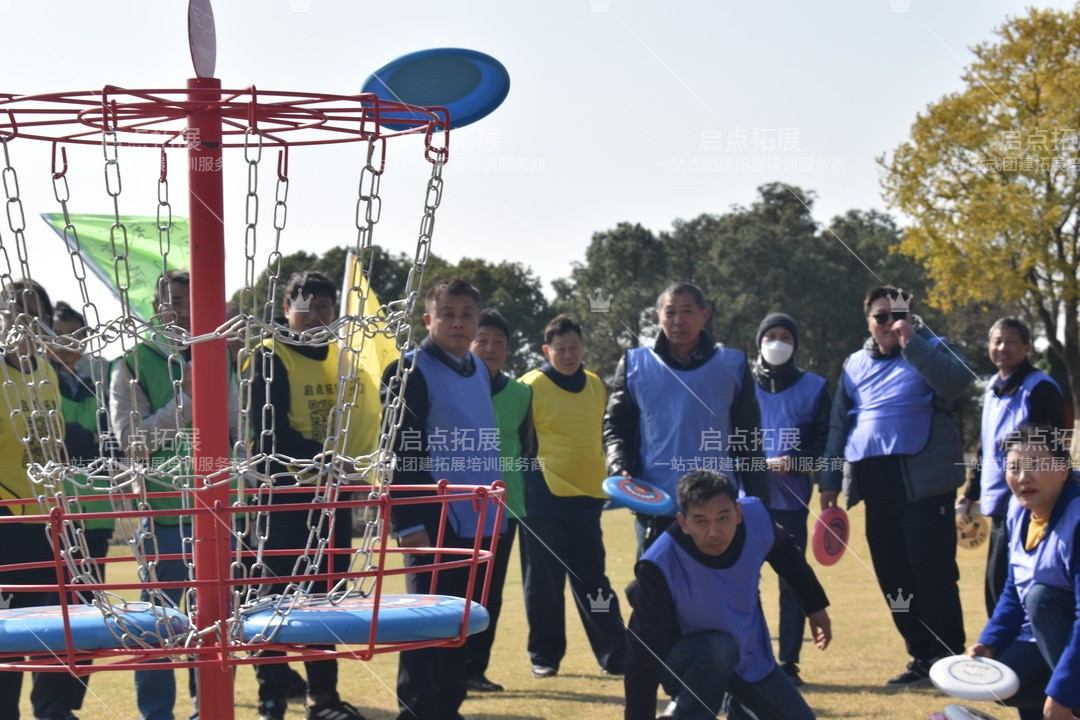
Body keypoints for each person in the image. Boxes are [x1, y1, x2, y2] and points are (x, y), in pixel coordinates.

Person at [821, 285, 970, 686]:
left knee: (932, 574)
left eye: (898, 315)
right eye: (881, 317)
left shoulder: (936, 347)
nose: (890, 323)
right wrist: (830, 479)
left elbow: (957, 383)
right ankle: (921, 655)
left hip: (925, 489)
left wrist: (913, 342)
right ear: (868, 322)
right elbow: (839, 425)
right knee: (895, 581)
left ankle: (949, 658)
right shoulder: (853, 365)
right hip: (877, 490)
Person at [109, 270, 239, 720]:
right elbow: (132, 441)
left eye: (190, 301)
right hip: (164, 518)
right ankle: (156, 714)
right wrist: (182, 402)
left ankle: (211, 709)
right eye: (174, 301)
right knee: (155, 631)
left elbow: (237, 426)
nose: (181, 310)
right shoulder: (130, 363)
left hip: (221, 514)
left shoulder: (219, 354)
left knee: (222, 627)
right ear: (156, 307)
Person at [380, 278, 504, 720]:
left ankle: (448, 710)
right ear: (427, 319)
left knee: (461, 625)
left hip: (481, 515)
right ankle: (415, 712)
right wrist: (409, 523)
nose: (458, 322)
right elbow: (399, 451)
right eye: (447, 313)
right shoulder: (407, 371)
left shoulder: (478, 370)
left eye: (466, 314)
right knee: (424, 623)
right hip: (433, 518)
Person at [246, 271, 366, 720]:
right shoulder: (268, 357)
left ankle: (324, 699)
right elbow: (269, 438)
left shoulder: (343, 357)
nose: (318, 316)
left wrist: (355, 458)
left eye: (325, 307)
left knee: (325, 602)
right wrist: (329, 458)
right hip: (283, 501)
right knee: (270, 598)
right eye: (308, 306)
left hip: (332, 502)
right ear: (286, 310)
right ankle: (271, 696)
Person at [624, 470, 831, 720]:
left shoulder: (756, 517)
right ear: (683, 523)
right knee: (719, 649)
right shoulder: (658, 565)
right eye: (701, 521)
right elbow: (643, 654)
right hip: (685, 659)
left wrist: (814, 605)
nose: (714, 532)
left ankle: (738, 708)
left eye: (723, 518)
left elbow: (787, 554)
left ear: (738, 513)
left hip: (749, 656)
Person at [604, 282, 770, 557]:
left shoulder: (733, 366)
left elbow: (750, 440)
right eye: (670, 312)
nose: (678, 320)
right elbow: (616, 426)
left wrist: (760, 503)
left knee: (727, 592)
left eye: (688, 311)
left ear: (705, 315)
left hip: (717, 510)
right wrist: (618, 464)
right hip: (656, 505)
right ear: (657, 316)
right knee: (656, 593)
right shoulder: (634, 364)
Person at [519, 314, 625, 678]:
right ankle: (544, 656)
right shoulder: (529, 385)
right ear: (546, 351)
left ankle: (614, 652)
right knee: (544, 584)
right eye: (559, 349)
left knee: (594, 583)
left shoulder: (597, 384)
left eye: (574, 348)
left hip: (587, 500)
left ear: (583, 348)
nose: (567, 355)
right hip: (541, 500)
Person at [31, 300, 115, 720]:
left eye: (74, 337)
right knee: (47, 615)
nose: (65, 345)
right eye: (57, 335)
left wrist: (87, 441)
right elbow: (63, 439)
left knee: (86, 620)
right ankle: (49, 707)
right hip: (47, 517)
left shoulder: (95, 390)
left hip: (93, 518)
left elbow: (110, 441)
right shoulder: (32, 387)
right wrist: (86, 440)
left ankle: (65, 706)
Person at [968, 423, 1080, 720]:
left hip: (1072, 640)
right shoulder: (1017, 511)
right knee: (1003, 681)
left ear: (1063, 469)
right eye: (1014, 467)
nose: (1022, 477)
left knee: (1041, 598)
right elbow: (1015, 587)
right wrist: (989, 641)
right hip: (1047, 640)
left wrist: (1064, 692)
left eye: (1034, 465)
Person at [959, 317, 1067, 616]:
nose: (1002, 347)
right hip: (997, 503)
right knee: (996, 589)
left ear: (1027, 347)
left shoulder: (1040, 388)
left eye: (1010, 341)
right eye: (997, 341)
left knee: (1017, 588)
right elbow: (986, 444)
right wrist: (971, 490)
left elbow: (1056, 448)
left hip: (1026, 504)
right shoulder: (992, 387)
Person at [0, 280, 69, 720]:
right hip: (5, 524)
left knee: (53, 632)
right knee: (6, 639)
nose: (26, 322)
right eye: (16, 312)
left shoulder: (48, 373)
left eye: (36, 314)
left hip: (49, 521)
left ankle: (54, 713)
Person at [751, 312, 831, 688]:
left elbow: (824, 442)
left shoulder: (815, 387)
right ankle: (749, 654)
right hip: (746, 499)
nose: (777, 342)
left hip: (792, 501)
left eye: (785, 335)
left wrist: (795, 461)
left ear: (795, 344)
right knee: (744, 580)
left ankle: (789, 663)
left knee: (791, 581)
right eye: (771, 335)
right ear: (760, 342)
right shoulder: (740, 384)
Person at [464, 308, 537, 693]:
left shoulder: (522, 393)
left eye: (498, 342)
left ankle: (475, 669)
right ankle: (448, 668)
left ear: (509, 349)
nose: (489, 348)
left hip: (504, 507)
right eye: (483, 340)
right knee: (455, 591)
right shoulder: (453, 386)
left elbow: (527, 450)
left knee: (489, 593)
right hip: (457, 504)